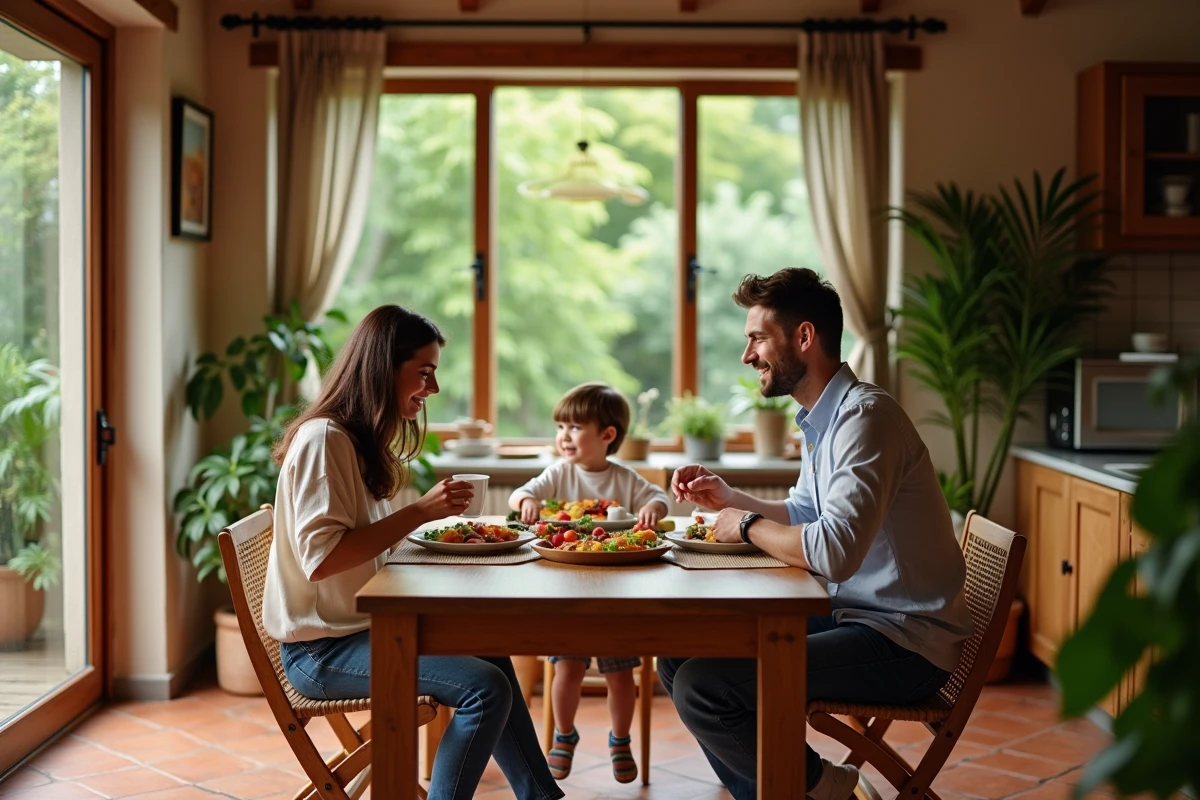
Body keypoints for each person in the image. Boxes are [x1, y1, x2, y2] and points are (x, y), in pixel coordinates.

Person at [663, 269, 974, 800]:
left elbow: (832, 552)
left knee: (704, 687)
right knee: (678, 651)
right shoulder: (823, 418)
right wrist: (730, 499)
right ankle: (781, 791)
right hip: (857, 614)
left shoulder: (865, 419)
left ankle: (819, 786)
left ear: (803, 338)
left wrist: (744, 525)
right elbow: (806, 511)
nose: (747, 356)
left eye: (757, 338)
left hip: (903, 642)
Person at [262, 305, 563, 800]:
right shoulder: (324, 442)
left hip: (356, 629)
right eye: (424, 373)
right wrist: (420, 513)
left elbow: (360, 549)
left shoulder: (352, 440)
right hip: (322, 651)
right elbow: (322, 559)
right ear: (384, 367)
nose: (433, 389)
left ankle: (540, 795)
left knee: (487, 643)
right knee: (484, 691)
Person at [508, 382, 670, 784]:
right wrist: (526, 502)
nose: (564, 436)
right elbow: (520, 495)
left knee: (620, 675)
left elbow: (659, 498)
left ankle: (620, 739)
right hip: (569, 595)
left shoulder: (624, 478)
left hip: (618, 597)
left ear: (607, 435)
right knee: (568, 670)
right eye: (560, 426)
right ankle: (565, 734)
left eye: (575, 427)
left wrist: (650, 508)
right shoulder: (558, 473)